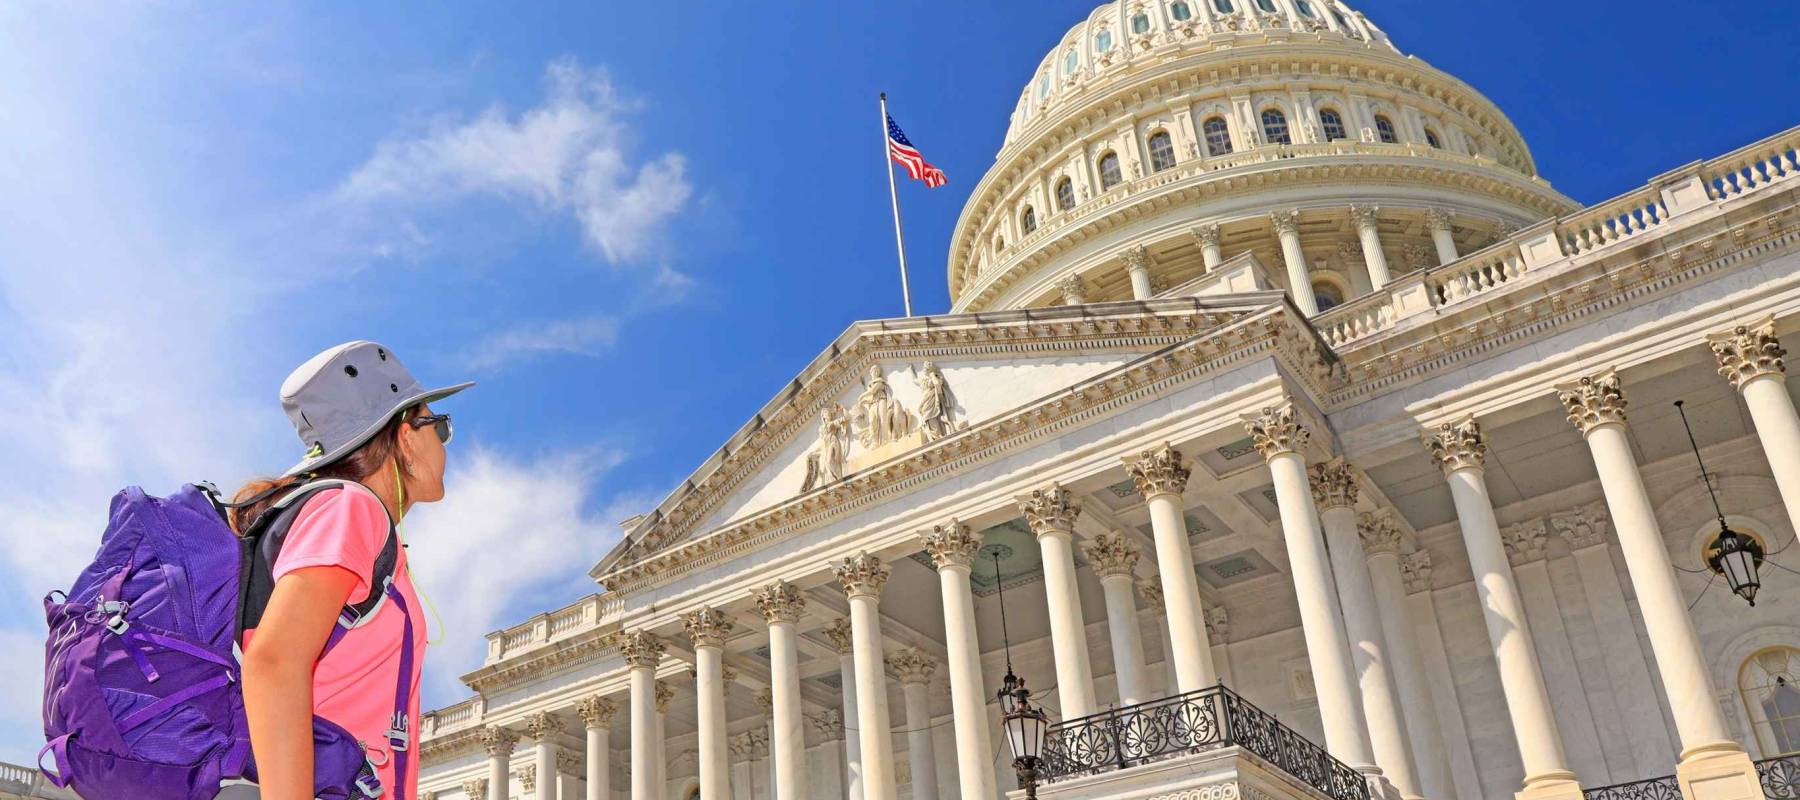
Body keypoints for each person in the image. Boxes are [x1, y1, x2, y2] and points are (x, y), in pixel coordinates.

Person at [230, 341, 471, 800]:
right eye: (437, 424)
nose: (442, 441)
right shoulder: (352, 508)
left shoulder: (340, 512)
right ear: (406, 434)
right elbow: (274, 663)